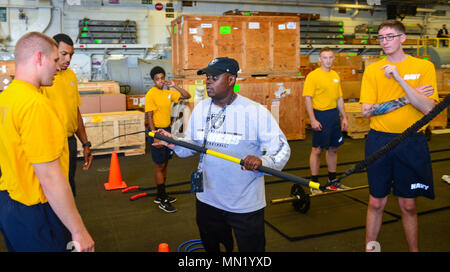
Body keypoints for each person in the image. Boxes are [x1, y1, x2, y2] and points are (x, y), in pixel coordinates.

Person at [154, 57, 291, 252]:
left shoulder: (255, 112)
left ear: (231, 80)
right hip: (207, 201)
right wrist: (173, 143)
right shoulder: (201, 109)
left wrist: (263, 161)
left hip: (244, 205)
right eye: (207, 77)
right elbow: (192, 146)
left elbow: (282, 149)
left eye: (215, 77)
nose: (208, 81)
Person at [0, 32, 94, 252]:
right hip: (37, 209)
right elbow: (50, 177)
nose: (58, 66)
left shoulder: (6, 97)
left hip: (10, 203)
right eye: (54, 60)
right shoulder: (36, 105)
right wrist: (79, 230)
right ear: (39, 58)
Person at [360, 20, 438, 252]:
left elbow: (427, 108)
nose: (384, 41)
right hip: (379, 140)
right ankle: (370, 249)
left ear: (402, 38)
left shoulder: (424, 67)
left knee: (408, 204)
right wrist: (406, 99)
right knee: (376, 202)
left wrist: (400, 80)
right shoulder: (373, 69)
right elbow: (367, 110)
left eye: (390, 36)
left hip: (411, 142)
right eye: (381, 37)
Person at [40, 33, 93, 197]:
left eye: (71, 54)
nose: (68, 59)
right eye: (64, 54)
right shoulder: (43, 78)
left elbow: (74, 111)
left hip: (69, 142)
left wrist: (85, 143)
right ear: (53, 52)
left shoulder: (71, 76)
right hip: (49, 143)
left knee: (69, 185)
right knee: (52, 190)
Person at [303, 47, 348, 194]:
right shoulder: (313, 76)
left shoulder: (335, 75)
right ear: (319, 59)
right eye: (325, 58)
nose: (328, 60)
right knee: (317, 150)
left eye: (330, 57)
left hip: (333, 116)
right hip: (320, 115)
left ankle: (332, 181)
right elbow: (307, 98)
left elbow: (339, 98)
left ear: (333, 59)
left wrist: (344, 117)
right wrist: (313, 119)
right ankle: (314, 184)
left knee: (334, 148)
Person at [145, 66, 190, 213]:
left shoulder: (168, 93)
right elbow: (150, 116)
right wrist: (155, 136)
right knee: (159, 165)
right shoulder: (150, 94)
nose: (160, 81)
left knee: (164, 164)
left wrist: (174, 86)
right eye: (157, 79)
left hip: (167, 130)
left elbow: (187, 96)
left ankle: (160, 194)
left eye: (162, 78)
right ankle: (162, 198)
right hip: (157, 131)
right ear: (153, 80)